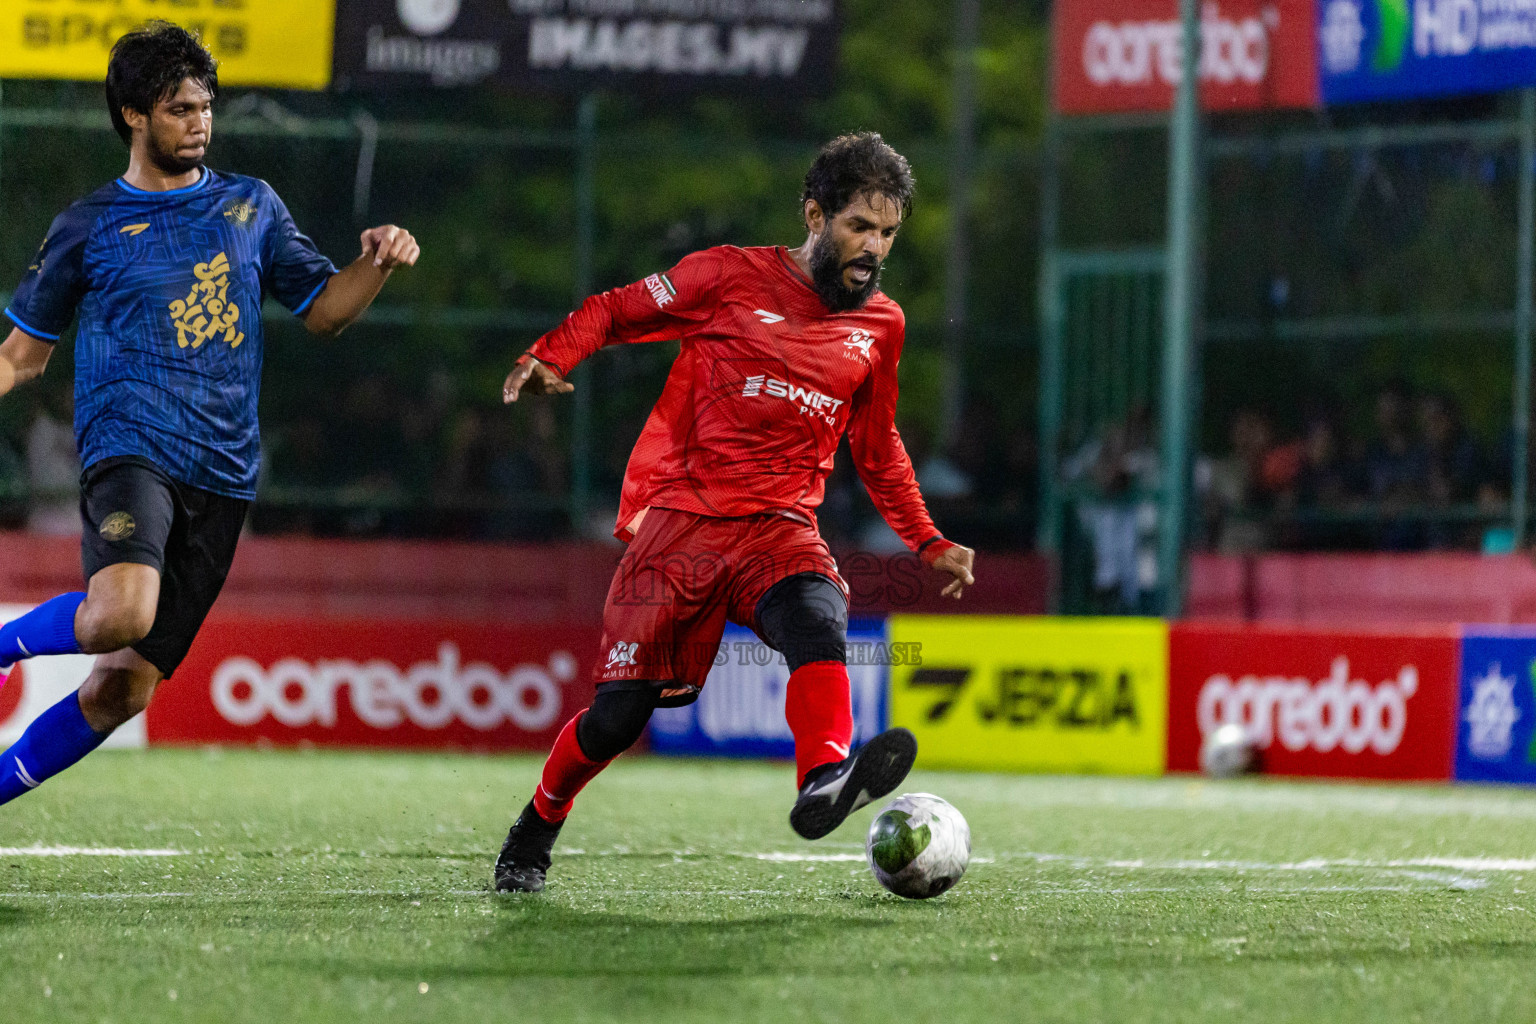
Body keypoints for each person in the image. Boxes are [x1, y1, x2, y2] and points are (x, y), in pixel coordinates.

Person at [493, 132, 976, 893]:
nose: (873, 248)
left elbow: (877, 449)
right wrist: (555, 354)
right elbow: (619, 309)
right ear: (815, 215)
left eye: (887, 234)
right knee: (617, 718)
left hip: (779, 527)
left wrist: (928, 539)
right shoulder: (727, 275)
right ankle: (534, 829)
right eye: (859, 227)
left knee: (817, 615)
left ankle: (824, 775)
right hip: (682, 522)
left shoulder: (882, 326)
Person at [0, 23, 418, 806]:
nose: (200, 121)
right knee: (120, 612)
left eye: (205, 106)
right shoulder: (87, 226)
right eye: (179, 108)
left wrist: (377, 261)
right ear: (132, 115)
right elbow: (22, 356)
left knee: (118, 692)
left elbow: (325, 312)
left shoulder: (250, 206)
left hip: (224, 474)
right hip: (130, 451)